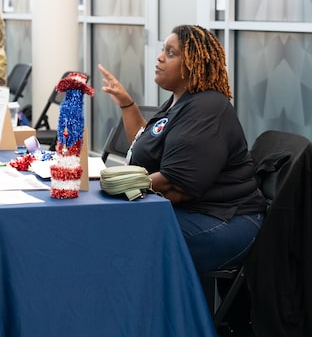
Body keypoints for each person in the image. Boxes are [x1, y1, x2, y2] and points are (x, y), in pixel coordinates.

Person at [98, 24, 266, 274]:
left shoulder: (207, 107)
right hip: (194, 211)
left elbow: (175, 184)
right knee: (115, 227)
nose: (159, 57)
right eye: (162, 50)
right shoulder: (179, 101)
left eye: (170, 52)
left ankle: (161, 312)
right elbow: (146, 144)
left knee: (122, 236)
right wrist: (127, 104)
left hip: (225, 220)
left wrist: (116, 187)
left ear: (193, 64)